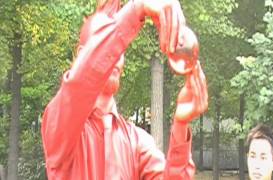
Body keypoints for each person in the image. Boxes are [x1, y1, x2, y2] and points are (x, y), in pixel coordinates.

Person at [41, 0, 208, 179]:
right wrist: (137, 8)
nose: (116, 58)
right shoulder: (60, 124)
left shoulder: (137, 141)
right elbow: (80, 83)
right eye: (107, 48)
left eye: (119, 51)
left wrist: (181, 126)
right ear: (82, 55)